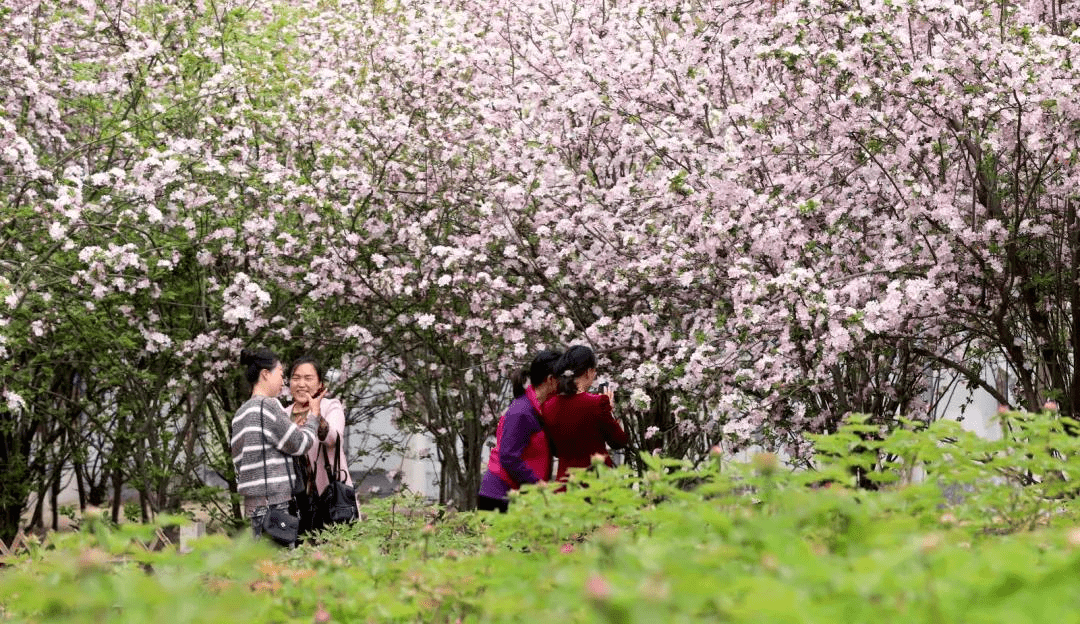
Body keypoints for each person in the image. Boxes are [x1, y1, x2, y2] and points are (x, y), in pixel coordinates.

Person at [231, 347, 320, 544]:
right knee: (281, 568)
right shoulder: (269, 406)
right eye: (280, 374)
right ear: (265, 374)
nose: (283, 381)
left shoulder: (240, 414)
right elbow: (300, 444)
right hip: (275, 504)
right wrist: (313, 416)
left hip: (254, 506)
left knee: (264, 567)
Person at [476, 349, 562, 512]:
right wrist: (537, 484)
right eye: (564, 378)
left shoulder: (540, 408)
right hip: (500, 497)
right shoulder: (521, 411)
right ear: (551, 380)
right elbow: (509, 456)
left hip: (520, 496)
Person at [284, 356, 359, 532]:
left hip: (330, 499)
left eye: (308, 378)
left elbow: (334, 438)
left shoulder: (331, 406)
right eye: (296, 378)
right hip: (296, 501)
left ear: (320, 384)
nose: (301, 384)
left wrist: (316, 416)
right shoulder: (283, 414)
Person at [541, 345, 628, 482]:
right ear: (588, 372)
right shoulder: (597, 403)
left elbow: (555, 450)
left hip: (566, 483)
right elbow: (619, 441)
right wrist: (609, 412)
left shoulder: (548, 406)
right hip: (598, 483)